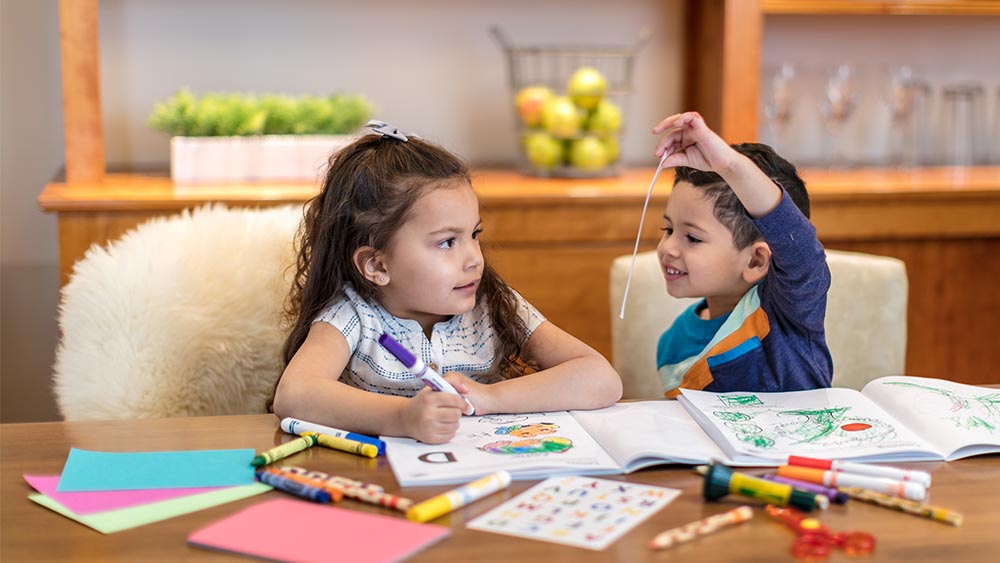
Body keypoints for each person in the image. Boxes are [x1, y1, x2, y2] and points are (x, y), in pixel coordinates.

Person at [271, 122, 622, 444]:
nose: (474, 258)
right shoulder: (355, 316)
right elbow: (295, 394)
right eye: (447, 242)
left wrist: (489, 397)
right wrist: (403, 418)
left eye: (474, 234)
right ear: (377, 264)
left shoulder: (493, 303)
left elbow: (601, 378)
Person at [651, 112, 832, 396]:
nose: (668, 248)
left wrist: (730, 166)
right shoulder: (673, 343)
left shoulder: (788, 314)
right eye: (668, 228)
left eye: (693, 238)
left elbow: (801, 251)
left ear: (756, 260)